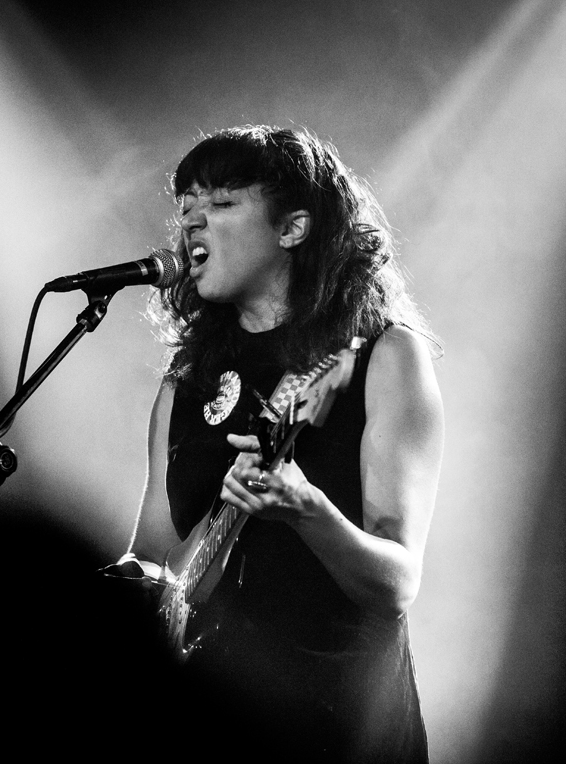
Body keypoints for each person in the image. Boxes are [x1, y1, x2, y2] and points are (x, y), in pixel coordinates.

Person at [112, 126, 443, 762]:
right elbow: (154, 564)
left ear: (292, 228)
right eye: (186, 209)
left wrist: (308, 510)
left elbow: (397, 584)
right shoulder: (184, 384)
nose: (192, 225)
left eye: (221, 204)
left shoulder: (378, 357)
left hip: (336, 723)